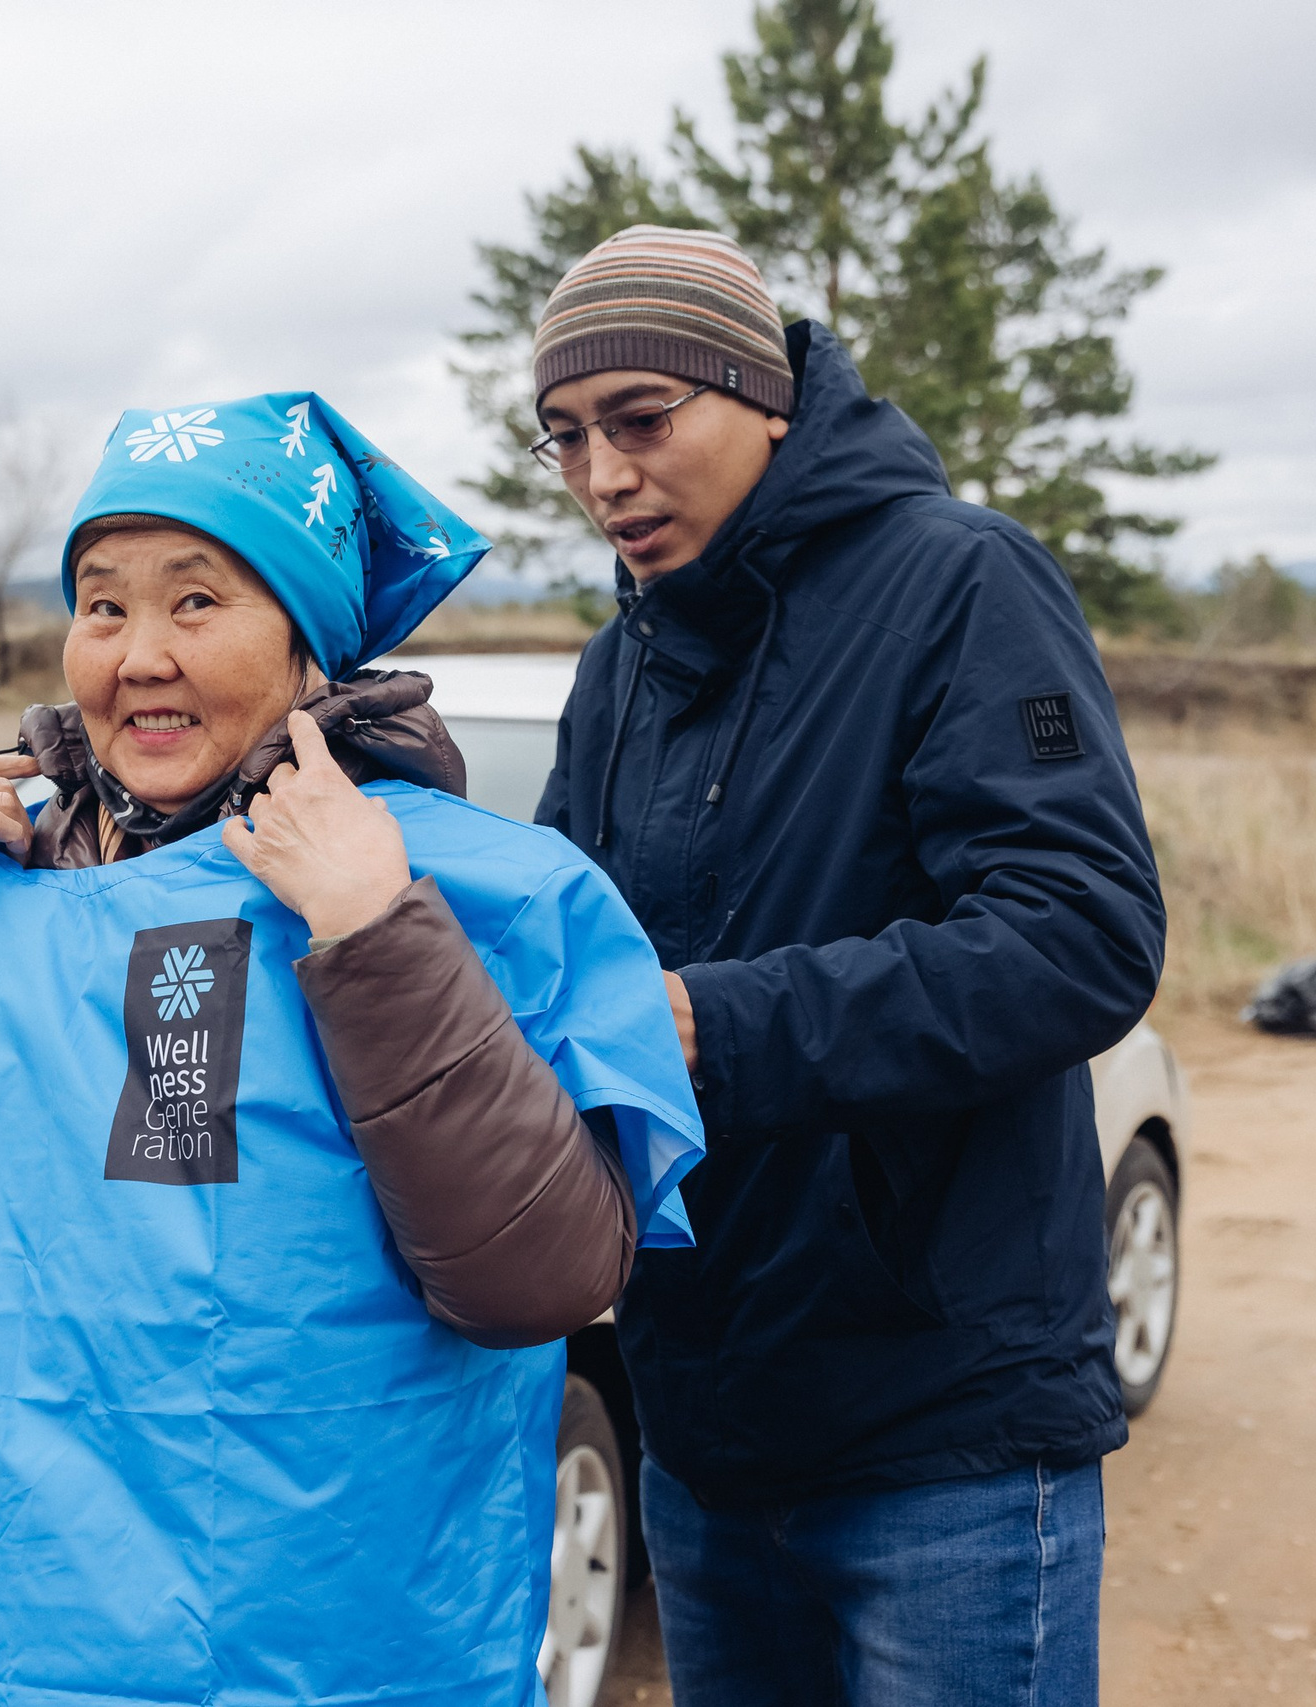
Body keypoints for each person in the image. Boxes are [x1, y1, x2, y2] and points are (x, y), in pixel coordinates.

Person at [0, 392, 703, 1707]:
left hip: (344, 1653)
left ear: (308, 638)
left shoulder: (486, 890)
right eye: (103, 603)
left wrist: (376, 933)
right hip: (6, 1647)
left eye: (197, 602)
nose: (140, 654)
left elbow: (537, 1277)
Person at [529, 225, 1166, 1703]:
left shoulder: (963, 585)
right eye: (566, 436)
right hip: (706, 1418)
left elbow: (1081, 934)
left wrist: (709, 1023)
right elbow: (561, 949)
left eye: (640, 420)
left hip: (939, 1421)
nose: (603, 475)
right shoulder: (619, 667)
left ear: (763, 395)